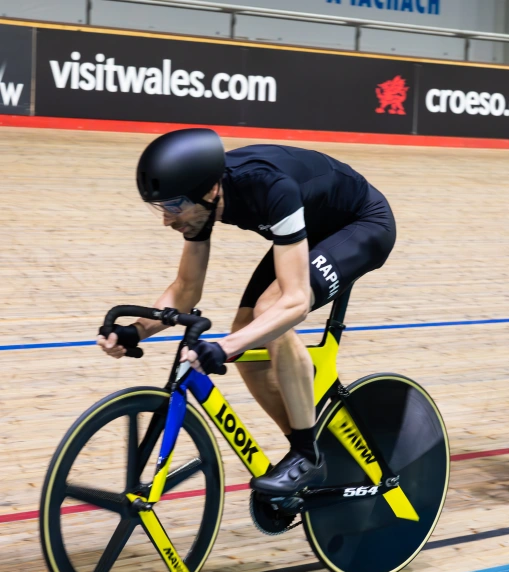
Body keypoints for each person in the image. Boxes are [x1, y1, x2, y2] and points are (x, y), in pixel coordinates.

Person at [98, 128, 396, 495]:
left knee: (271, 310)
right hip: (309, 227)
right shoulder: (201, 205)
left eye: (173, 205)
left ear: (209, 192)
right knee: (249, 345)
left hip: (361, 225)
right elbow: (186, 289)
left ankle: (308, 457)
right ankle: (305, 450)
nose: (166, 219)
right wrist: (136, 331)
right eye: (161, 207)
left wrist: (223, 346)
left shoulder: (270, 188)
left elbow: (295, 301)